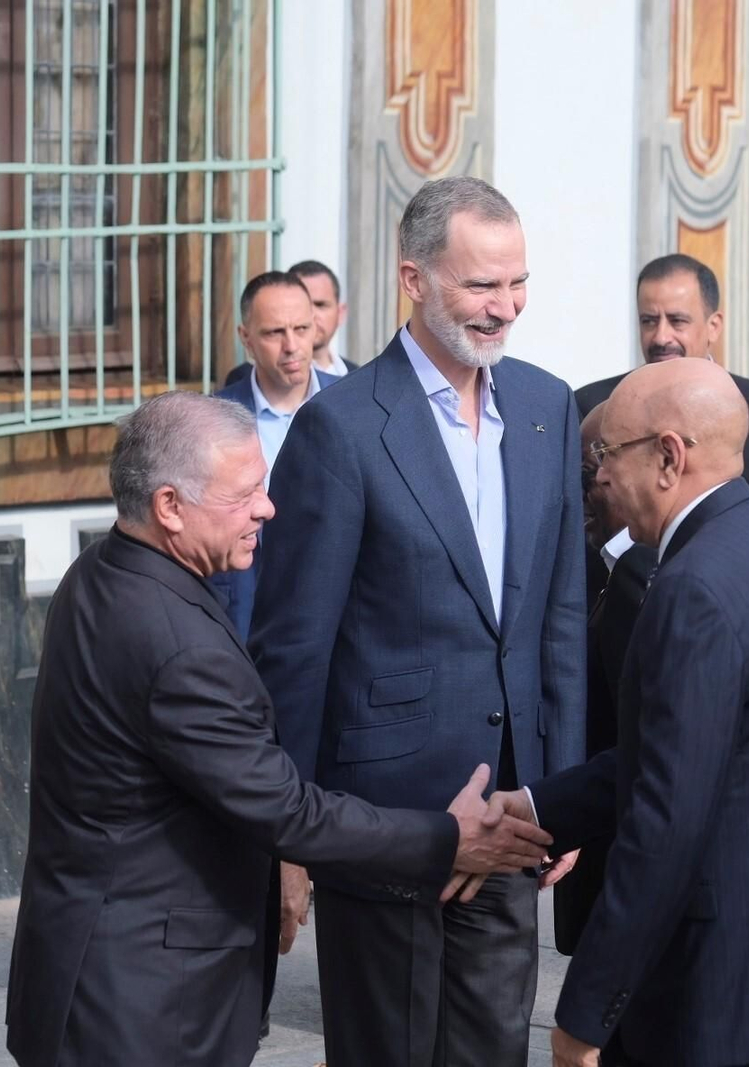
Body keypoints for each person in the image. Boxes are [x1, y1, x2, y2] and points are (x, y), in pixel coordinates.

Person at [3, 391, 554, 1067]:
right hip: (143, 1000)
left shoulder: (105, 569)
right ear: (170, 506)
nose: (266, 508)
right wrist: (449, 837)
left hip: (101, 966)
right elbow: (288, 813)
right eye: (245, 494)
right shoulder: (176, 643)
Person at [249, 175, 587, 1065]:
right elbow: (294, 647)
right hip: (384, 824)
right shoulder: (342, 428)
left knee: (489, 1050)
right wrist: (289, 836)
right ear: (414, 279)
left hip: (514, 818)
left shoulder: (549, 408)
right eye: (481, 285)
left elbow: (559, 619)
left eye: (516, 282)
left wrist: (564, 793)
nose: (504, 306)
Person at [500, 359, 749, 1067]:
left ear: (668, 457)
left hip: (738, 1004)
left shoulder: (692, 586)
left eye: (605, 455)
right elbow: (695, 750)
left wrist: (586, 1012)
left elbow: (665, 824)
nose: (597, 478)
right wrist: (534, 808)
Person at [573, 253, 749, 536]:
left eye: (677, 320)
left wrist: (715, 552)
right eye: (649, 321)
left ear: (713, 326)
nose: (661, 337)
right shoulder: (591, 407)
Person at [551, 401, 652, 956]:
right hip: (587, 822)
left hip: (623, 832)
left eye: (593, 472)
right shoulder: (582, 559)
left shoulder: (647, 572)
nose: (586, 489)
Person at [210, 271, 334, 639]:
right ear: (246, 339)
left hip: (332, 624)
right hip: (240, 626)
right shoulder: (212, 419)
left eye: (301, 328)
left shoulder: (356, 406)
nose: (292, 345)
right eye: (274, 333)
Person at [224, 258, 356, 386]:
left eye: (320, 305)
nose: (313, 314)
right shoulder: (241, 381)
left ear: (340, 312)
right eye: (275, 332)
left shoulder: (358, 381)